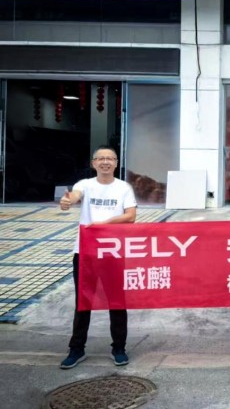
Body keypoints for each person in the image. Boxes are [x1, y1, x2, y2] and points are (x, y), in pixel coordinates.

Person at [58, 146, 137, 369]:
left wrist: (104, 224)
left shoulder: (123, 188)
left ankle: (119, 348)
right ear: (93, 163)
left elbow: (131, 216)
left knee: (117, 301)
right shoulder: (85, 185)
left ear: (116, 163)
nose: (105, 162)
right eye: (100, 158)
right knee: (83, 301)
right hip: (85, 252)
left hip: (113, 252)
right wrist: (68, 201)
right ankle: (76, 348)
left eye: (109, 158)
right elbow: (74, 196)